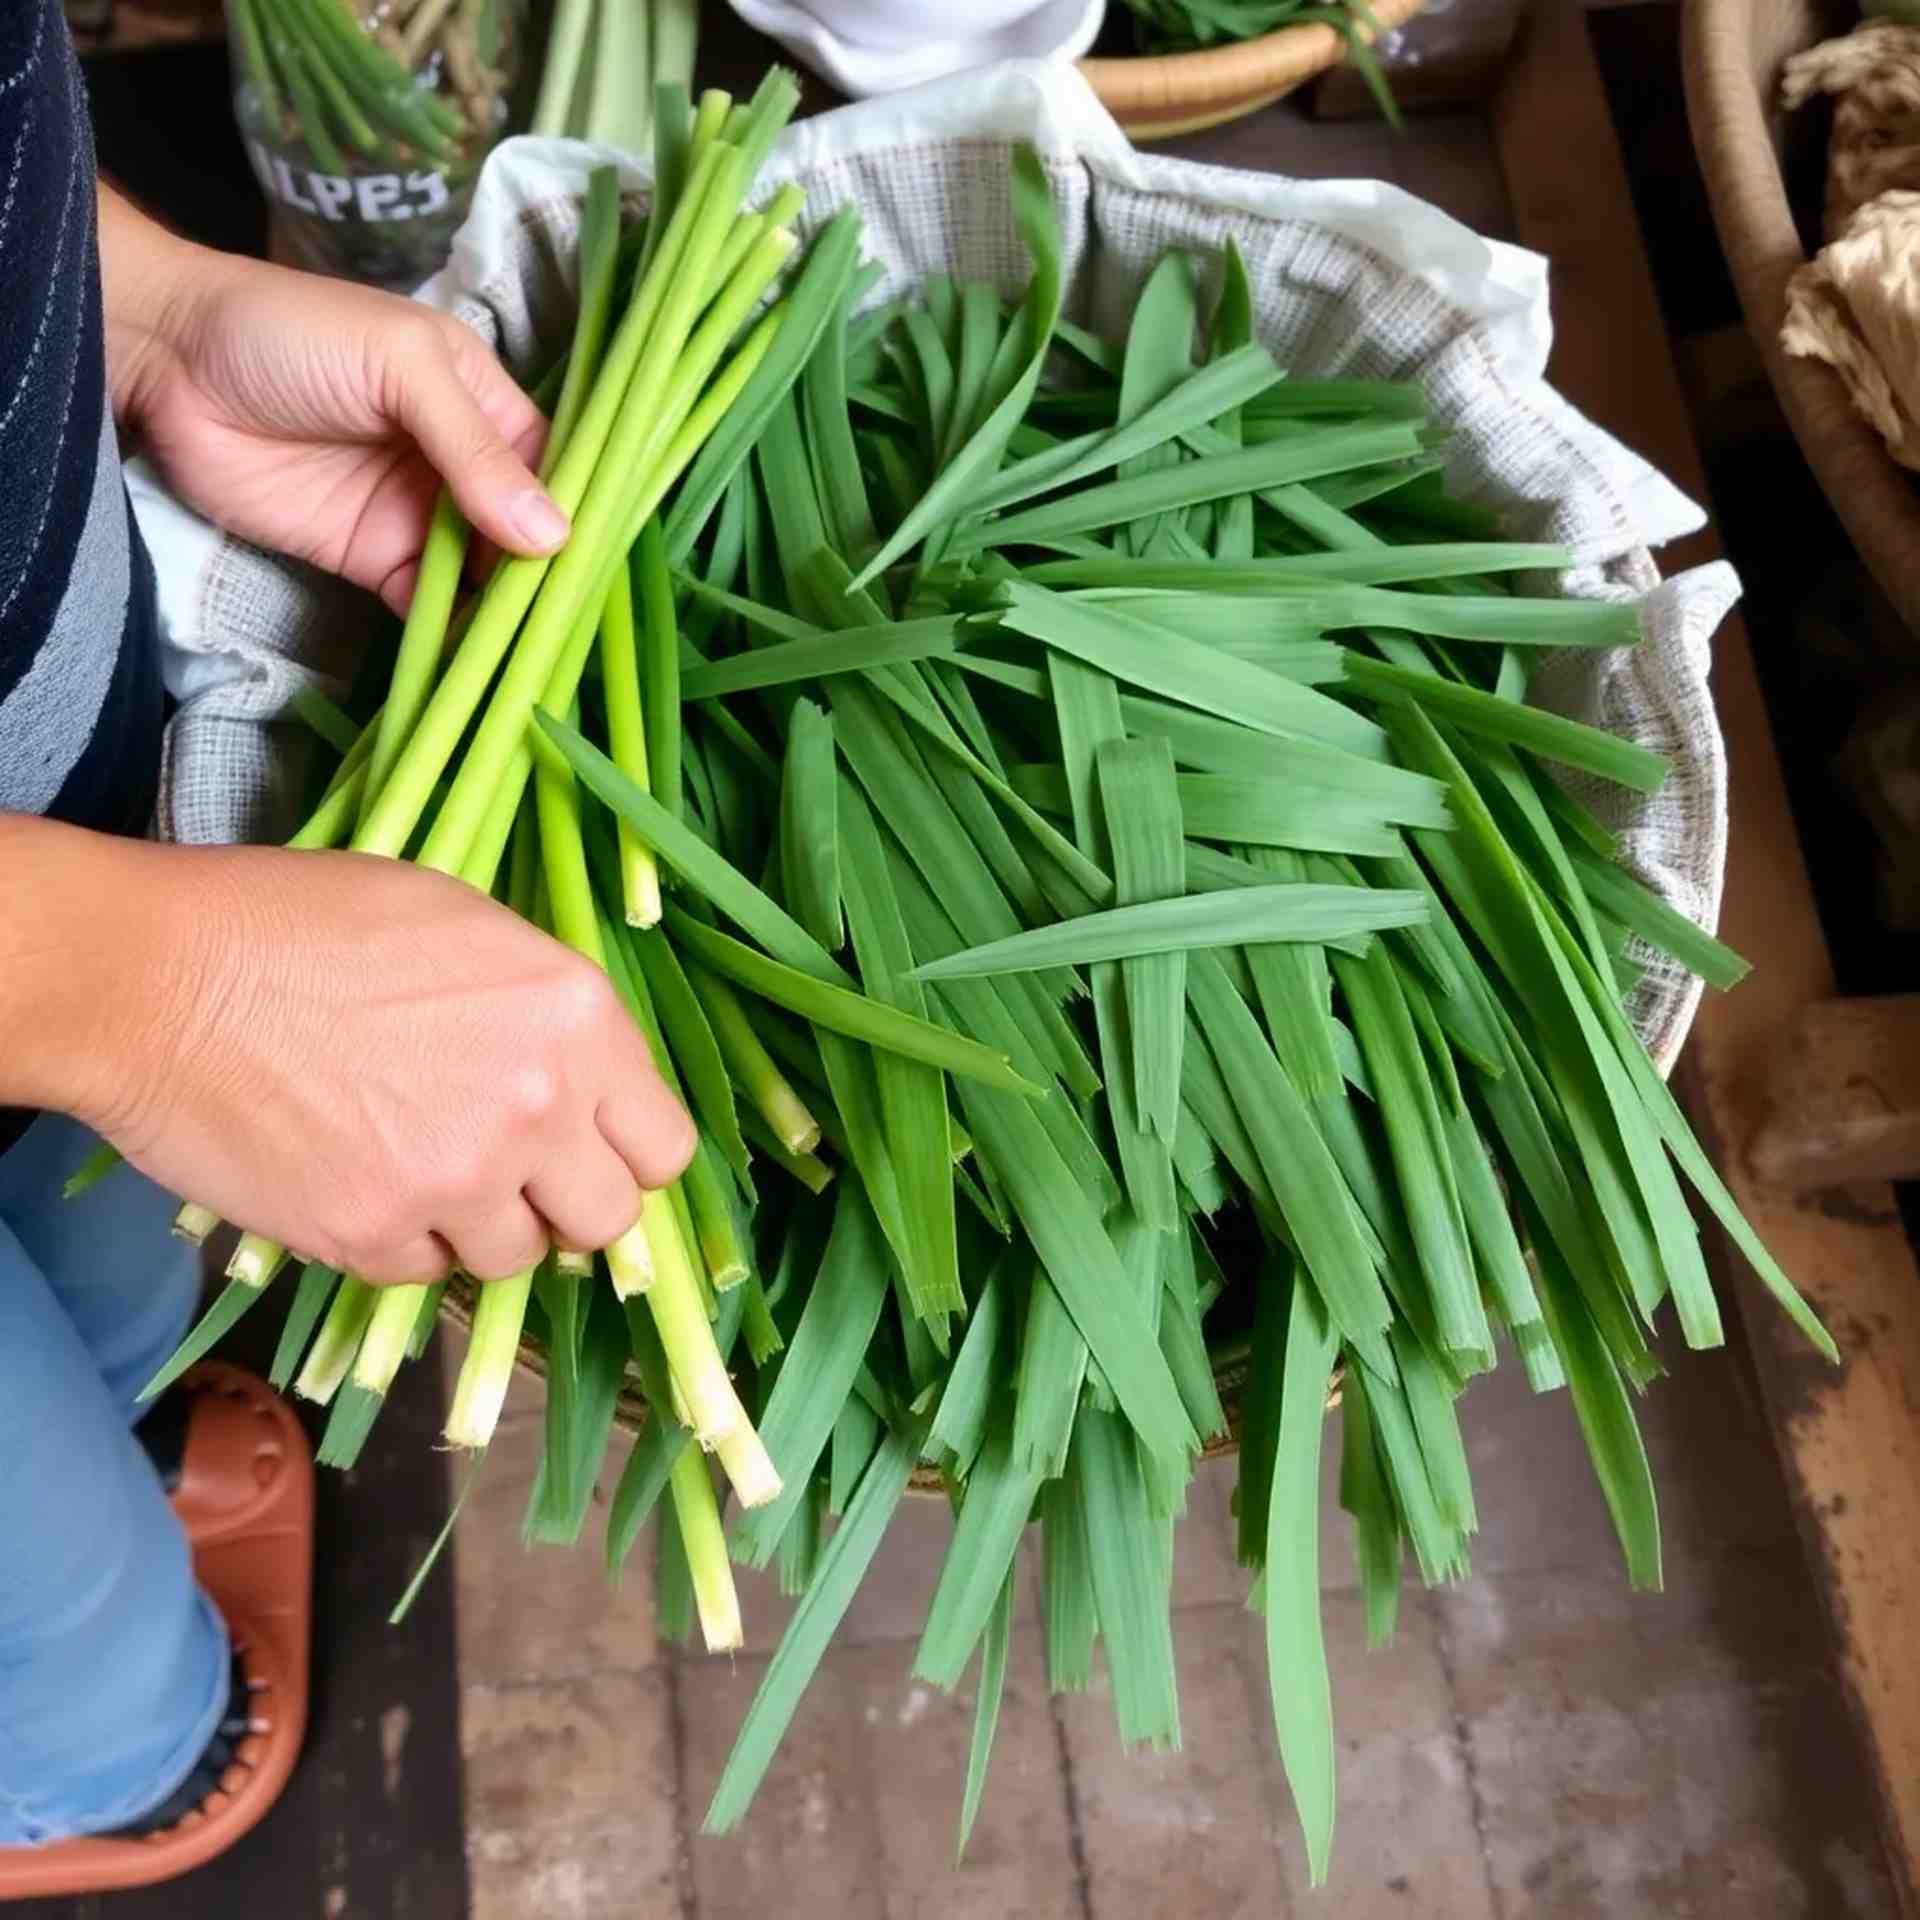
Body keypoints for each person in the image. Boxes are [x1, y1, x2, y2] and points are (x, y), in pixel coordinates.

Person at [0, 0, 693, 1884]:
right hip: (69, 952)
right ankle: (98, 1780)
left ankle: (109, 1464)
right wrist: (154, 987)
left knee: (110, 1299)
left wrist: (138, 309)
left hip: (59, 837)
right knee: (64, 1622)